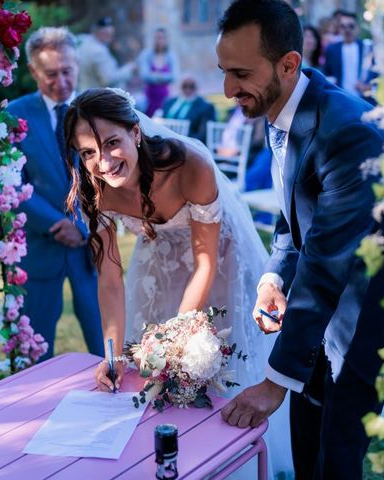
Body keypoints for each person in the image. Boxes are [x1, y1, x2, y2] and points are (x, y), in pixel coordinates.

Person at [215, 1, 384, 478]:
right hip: (313, 327)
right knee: (308, 454)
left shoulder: (347, 133)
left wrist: (273, 383)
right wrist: (273, 277)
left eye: (240, 74)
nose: (228, 90)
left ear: (289, 64)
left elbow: (327, 262)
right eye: (224, 72)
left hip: (362, 324)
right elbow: (294, 224)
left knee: (337, 460)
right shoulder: (277, 106)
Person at [62, 87, 293, 478]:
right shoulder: (94, 190)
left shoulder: (191, 166)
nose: (103, 162)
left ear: (136, 132)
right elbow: (110, 279)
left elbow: (205, 262)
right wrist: (111, 353)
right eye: (88, 153)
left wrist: (176, 336)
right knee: (155, 377)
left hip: (221, 258)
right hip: (160, 259)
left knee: (217, 360)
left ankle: (236, 461)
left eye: (112, 143)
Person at [7, 27, 103, 360]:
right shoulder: (13, 116)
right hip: (39, 244)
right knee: (35, 345)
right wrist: (54, 223)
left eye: (67, 71)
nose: (61, 81)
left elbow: (110, 174)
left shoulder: (98, 109)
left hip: (92, 244)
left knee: (106, 338)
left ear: (77, 66)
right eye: (51, 74)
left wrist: (80, 223)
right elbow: (11, 181)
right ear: (33, 71)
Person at [323, 11, 377, 102]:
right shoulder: (331, 49)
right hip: (340, 100)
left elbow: (376, 74)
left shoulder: (367, 48)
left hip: (364, 100)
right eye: (343, 26)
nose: (347, 30)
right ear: (339, 29)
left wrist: (369, 86)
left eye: (351, 26)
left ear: (357, 28)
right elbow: (327, 73)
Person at [77, 17, 136, 92]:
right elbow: (108, 80)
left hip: (85, 91)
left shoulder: (85, 42)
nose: (111, 38)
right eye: (108, 34)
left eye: (111, 34)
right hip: (96, 97)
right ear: (99, 32)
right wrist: (129, 69)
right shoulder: (98, 51)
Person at [158, 74, 216, 143]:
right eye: (184, 86)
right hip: (163, 141)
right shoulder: (169, 102)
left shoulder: (206, 107)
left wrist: (182, 140)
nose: (188, 89)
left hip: (187, 145)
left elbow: (202, 135)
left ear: (197, 87)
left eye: (192, 86)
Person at [138, 27, 179, 117]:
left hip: (164, 96)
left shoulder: (171, 56)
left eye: (162, 37)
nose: (159, 40)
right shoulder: (146, 55)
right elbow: (144, 75)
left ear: (166, 39)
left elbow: (174, 77)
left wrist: (154, 76)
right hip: (149, 97)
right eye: (157, 37)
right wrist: (164, 77)